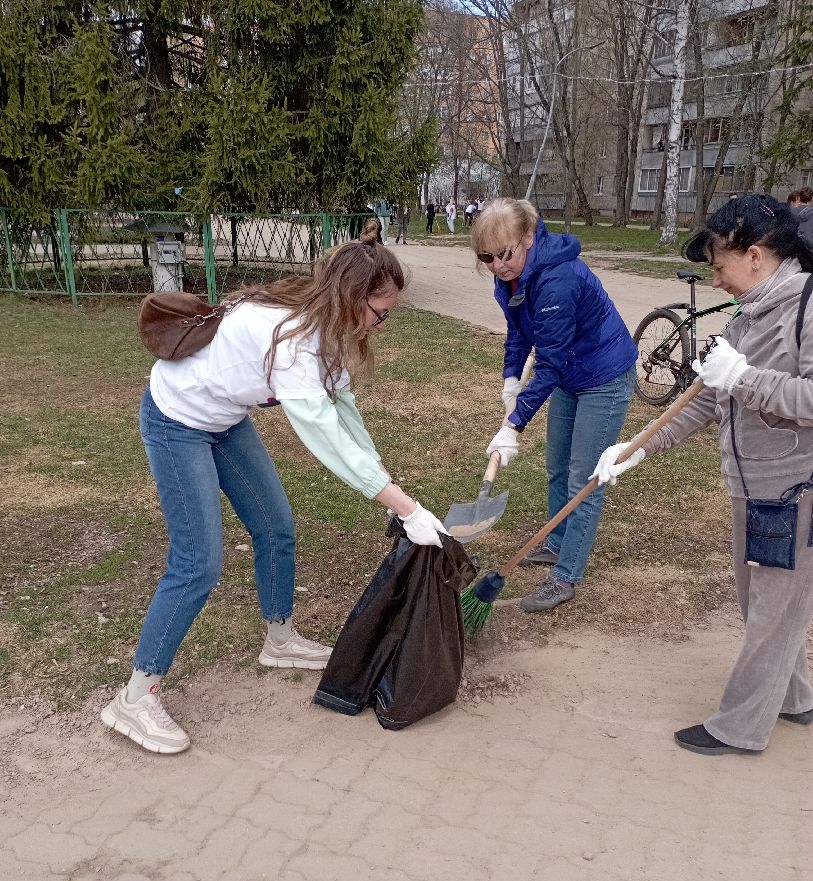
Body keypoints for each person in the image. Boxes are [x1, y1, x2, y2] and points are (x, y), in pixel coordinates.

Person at [101, 240, 448, 755]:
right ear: (353, 297)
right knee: (198, 563)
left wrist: (384, 474)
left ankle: (279, 640)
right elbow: (325, 438)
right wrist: (404, 507)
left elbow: (343, 411)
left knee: (275, 525)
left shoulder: (327, 327)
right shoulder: (293, 344)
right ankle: (135, 696)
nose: (381, 325)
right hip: (176, 420)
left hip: (223, 420)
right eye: (380, 314)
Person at [593, 193, 813, 756]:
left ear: (756, 256)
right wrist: (640, 447)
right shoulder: (750, 317)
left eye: (720, 267)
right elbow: (704, 400)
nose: (717, 282)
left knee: (772, 609)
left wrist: (745, 379)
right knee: (762, 603)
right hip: (753, 483)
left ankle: (740, 728)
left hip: (796, 488)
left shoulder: (807, 307)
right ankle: (795, 698)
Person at [474, 197, 637, 611]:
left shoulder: (557, 279)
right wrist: (511, 380)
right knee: (557, 468)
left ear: (528, 237)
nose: (497, 265)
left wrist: (514, 425)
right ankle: (556, 541)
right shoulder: (507, 277)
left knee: (585, 478)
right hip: (568, 374)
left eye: (505, 254)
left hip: (603, 376)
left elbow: (550, 360)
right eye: (486, 257)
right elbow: (518, 333)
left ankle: (566, 576)